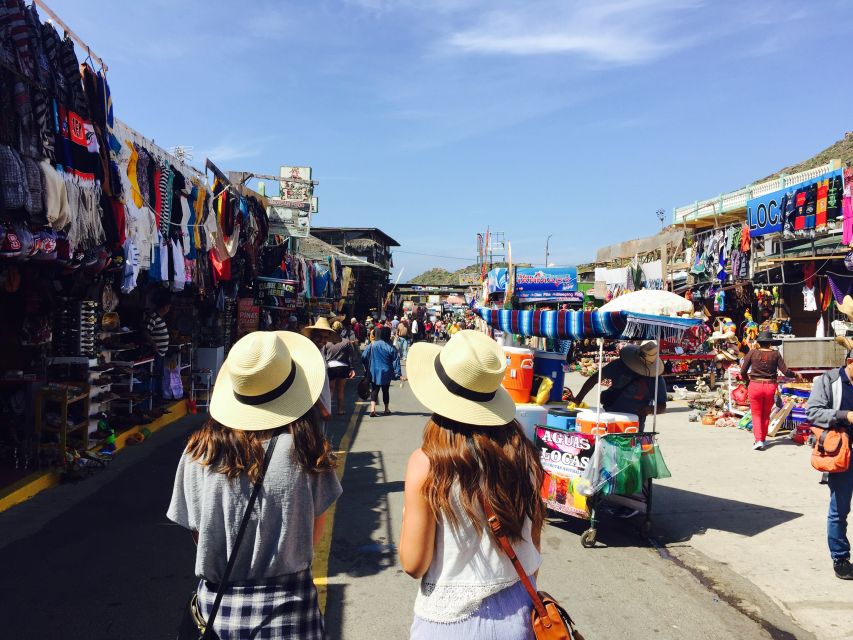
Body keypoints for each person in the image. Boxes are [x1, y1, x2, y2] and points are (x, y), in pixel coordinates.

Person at [167, 330, 342, 638]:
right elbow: (313, 530)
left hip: (218, 614)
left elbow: (200, 533)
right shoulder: (306, 449)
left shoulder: (200, 451)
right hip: (290, 614)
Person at [400, 330, 544, 638]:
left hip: (450, 623)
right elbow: (533, 543)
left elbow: (413, 563)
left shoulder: (427, 463)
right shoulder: (524, 455)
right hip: (520, 614)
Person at [805, 350, 853, 580]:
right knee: (839, 509)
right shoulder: (830, 380)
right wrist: (844, 415)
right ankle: (840, 558)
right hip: (843, 454)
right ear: (850, 362)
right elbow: (812, 412)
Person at [573, 340, 668, 430]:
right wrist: (578, 398)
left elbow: (662, 406)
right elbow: (595, 378)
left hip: (634, 422)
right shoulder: (620, 365)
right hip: (610, 416)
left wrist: (648, 410)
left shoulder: (656, 378)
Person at [741, 330, 802, 450]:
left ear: (759, 343)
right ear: (770, 343)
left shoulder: (753, 352)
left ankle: (758, 440)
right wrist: (796, 374)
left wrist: (747, 381)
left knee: (756, 414)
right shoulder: (776, 354)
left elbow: (743, 371)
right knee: (765, 414)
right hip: (770, 386)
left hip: (755, 385)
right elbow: (786, 371)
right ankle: (762, 439)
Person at [302, 316, 341, 421]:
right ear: (313, 336)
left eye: (326, 338)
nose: (323, 341)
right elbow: (307, 386)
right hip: (315, 410)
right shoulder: (309, 354)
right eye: (320, 336)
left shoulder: (320, 352)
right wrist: (322, 409)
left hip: (321, 409)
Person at [362, 325, 402, 417]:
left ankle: (372, 409)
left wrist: (367, 366)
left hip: (374, 371)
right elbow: (396, 362)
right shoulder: (391, 347)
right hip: (387, 372)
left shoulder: (373, 344)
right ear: (388, 335)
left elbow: (364, 356)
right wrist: (398, 374)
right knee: (385, 390)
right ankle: (386, 409)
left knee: (374, 389)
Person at [143, 289, 171, 400]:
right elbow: (145, 331)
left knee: (159, 375)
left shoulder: (159, 318)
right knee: (155, 375)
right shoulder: (153, 317)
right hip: (156, 352)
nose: (169, 309)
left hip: (161, 352)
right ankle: (154, 398)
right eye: (168, 306)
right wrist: (154, 344)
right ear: (164, 307)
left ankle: (157, 397)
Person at [325, 321, 357, 416]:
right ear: (341, 330)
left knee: (330, 390)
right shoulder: (346, 342)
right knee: (341, 389)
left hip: (330, 367)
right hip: (343, 367)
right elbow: (350, 357)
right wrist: (352, 368)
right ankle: (340, 410)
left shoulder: (327, 342)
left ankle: (328, 410)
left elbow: (324, 355)